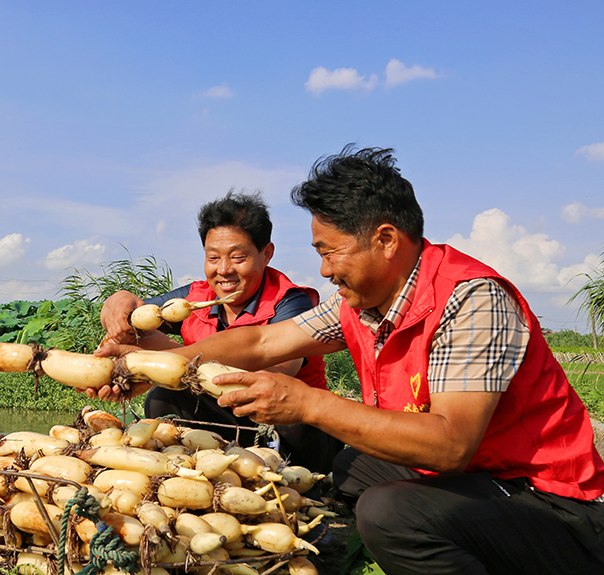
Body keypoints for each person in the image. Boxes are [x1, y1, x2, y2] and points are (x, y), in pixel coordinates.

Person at [96, 146, 604, 574]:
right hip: (480, 473)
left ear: (385, 240)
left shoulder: (470, 299)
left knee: (389, 512)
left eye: (331, 252)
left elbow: (450, 445)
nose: (324, 269)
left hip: (551, 502)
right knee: (353, 470)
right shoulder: (362, 305)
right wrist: (153, 366)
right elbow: (261, 344)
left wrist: (307, 404)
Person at [98, 190, 343, 472]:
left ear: (266, 254)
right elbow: (138, 318)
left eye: (238, 257)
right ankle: (194, 469)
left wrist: (170, 363)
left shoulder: (290, 300)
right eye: (213, 258)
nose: (224, 270)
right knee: (164, 397)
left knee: (287, 407)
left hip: (288, 429)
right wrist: (120, 300)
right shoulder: (192, 298)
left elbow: (278, 372)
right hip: (226, 417)